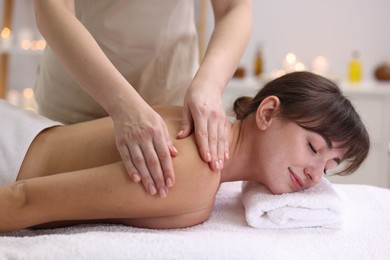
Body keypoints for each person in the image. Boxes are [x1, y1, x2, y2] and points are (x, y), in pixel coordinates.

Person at [0, 72, 369, 233]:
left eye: (329, 167)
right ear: (268, 113)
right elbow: (25, 200)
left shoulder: (205, 162)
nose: (314, 176)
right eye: (313, 147)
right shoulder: (196, 169)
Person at [32, 0, 253, 196]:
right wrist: (122, 104)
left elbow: (234, 6)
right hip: (75, 98)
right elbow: (51, 6)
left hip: (168, 106)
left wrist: (210, 84)